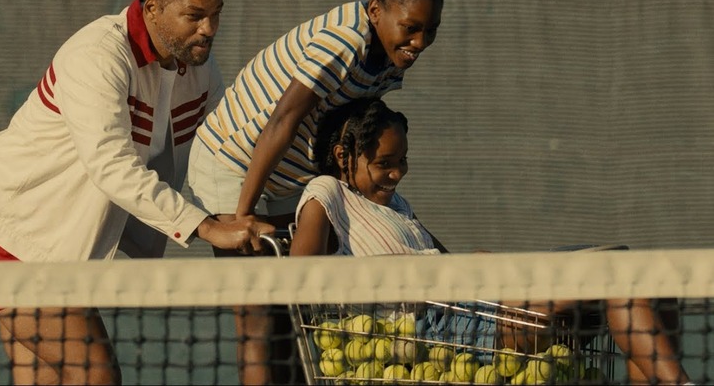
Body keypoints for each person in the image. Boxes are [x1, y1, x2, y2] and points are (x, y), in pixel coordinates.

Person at [0, 0, 274, 384]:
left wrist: (249, 209)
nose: (209, 30)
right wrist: (204, 225)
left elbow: (224, 144)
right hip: (12, 231)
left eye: (216, 14)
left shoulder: (199, 68)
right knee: (97, 376)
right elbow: (112, 166)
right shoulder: (96, 56)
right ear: (153, 8)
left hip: (60, 248)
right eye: (195, 16)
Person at [290, 97, 693, 385]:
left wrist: (471, 263)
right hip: (433, 328)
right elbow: (302, 279)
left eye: (402, 161)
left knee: (642, 283)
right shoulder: (327, 191)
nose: (397, 174)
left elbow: (442, 263)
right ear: (343, 155)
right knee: (612, 281)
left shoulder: (396, 204)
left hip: (466, 300)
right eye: (384, 164)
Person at [186, 0, 443, 383]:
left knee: (297, 305)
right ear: (376, 11)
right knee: (257, 315)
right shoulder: (343, 41)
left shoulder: (390, 59)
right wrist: (244, 214)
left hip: (291, 170)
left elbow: (347, 130)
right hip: (232, 161)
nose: (419, 42)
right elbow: (282, 121)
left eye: (429, 31)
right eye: (411, 28)